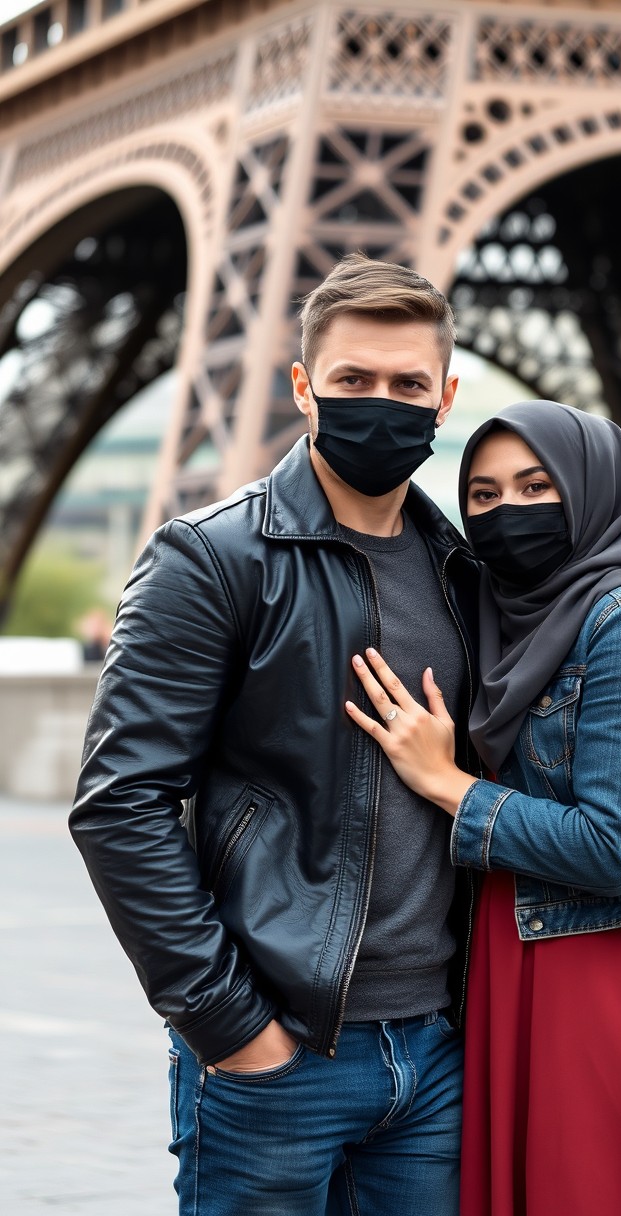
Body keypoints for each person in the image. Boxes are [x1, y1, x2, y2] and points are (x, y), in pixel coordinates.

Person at [69, 253, 481, 1216]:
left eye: (408, 385)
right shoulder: (209, 559)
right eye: (353, 381)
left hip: (438, 1050)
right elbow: (119, 802)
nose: (382, 403)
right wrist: (229, 1023)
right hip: (278, 1049)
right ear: (303, 387)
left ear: (446, 397)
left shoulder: (465, 573)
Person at [346, 400, 621, 1216]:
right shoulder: (497, 620)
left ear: (591, 490)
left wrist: (447, 781)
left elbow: (608, 848)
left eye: (536, 486)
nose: (507, 514)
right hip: (507, 961)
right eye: (484, 497)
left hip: (593, 969)